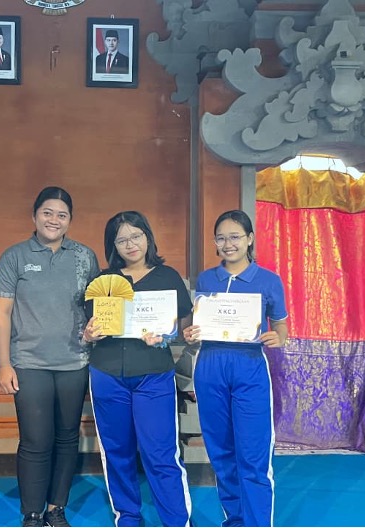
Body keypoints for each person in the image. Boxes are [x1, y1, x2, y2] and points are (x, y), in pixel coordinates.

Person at [0, 186, 100, 527]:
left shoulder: (85, 257)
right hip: (28, 363)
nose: (54, 220)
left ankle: (56, 508)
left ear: (70, 220)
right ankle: (33, 512)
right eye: (47, 213)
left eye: (62, 215)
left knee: (67, 438)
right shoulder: (15, 256)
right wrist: (4, 364)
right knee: (35, 440)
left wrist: (93, 330)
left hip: (74, 362)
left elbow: (96, 307)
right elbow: (2, 313)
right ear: (34, 216)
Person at [82, 211, 193, 527]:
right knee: (117, 453)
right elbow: (90, 326)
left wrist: (166, 334)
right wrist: (88, 335)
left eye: (136, 236)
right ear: (112, 245)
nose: (130, 244)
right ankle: (128, 517)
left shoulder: (168, 277)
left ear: (148, 237)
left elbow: (182, 325)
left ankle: (177, 522)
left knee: (161, 454)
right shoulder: (101, 282)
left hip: (154, 375)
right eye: (122, 240)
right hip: (107, 375)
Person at [183, 210, 288, 528]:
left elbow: (281, 326)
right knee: (221, 453)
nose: (228, 244)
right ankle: (235, 521)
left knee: (253, 457)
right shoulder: (206, 279)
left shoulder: (269, 280)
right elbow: (197, 324)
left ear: (249, 239)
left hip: (250, 368)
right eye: (221, 238)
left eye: (235, 237)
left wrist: (278, 337)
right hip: (210, 367)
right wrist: (191, 333)